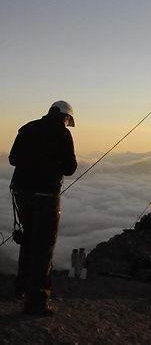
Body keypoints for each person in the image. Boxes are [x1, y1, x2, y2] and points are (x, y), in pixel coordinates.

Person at [9, 101, 77, 316]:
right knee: (44, 246)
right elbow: (70, 168)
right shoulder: (62, 133)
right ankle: (37, 301)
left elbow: (13, 159)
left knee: (28, 240)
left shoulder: (27, 128)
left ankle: (20, 287)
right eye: (68, 120)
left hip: (21, 192)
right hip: (46, 195)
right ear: (65, 117)